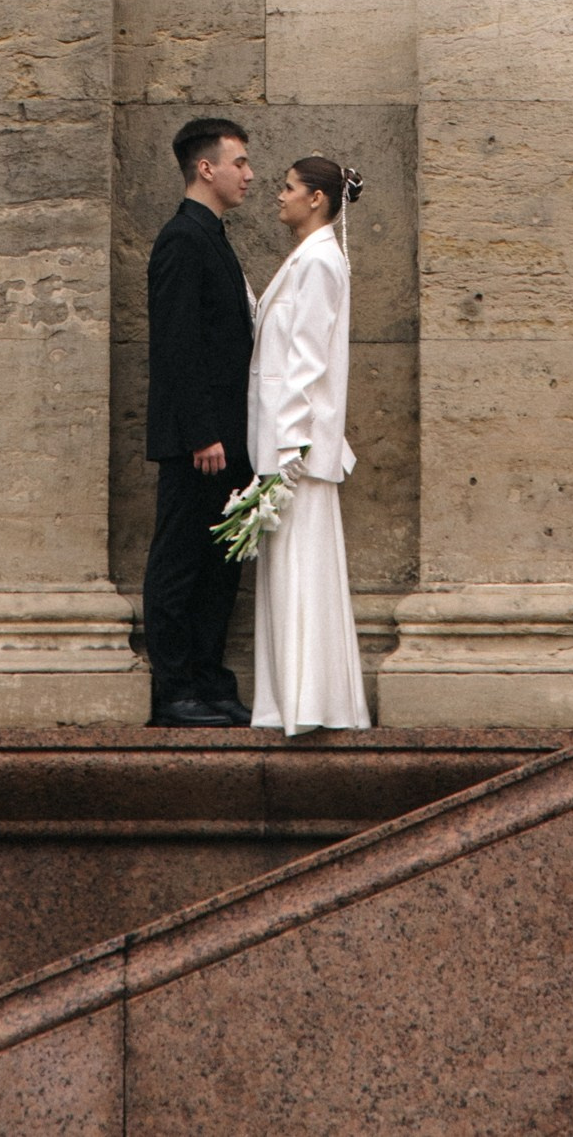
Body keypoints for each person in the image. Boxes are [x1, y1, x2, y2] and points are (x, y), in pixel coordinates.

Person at [247, 155, 369, 737]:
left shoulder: (320, 261)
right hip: (286, 443)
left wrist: (289, 446)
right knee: (292, 572)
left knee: (301, 572)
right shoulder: (309, 258)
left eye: (288, 188)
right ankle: (291, 701)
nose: (279, 196)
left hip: (294, 447)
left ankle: (308, 702)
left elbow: (307, 362)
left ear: (316, 198)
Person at [143, 116, 257, 726]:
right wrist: (201, 432)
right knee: (181, 562)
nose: (249, 174)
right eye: (239, 162)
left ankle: (211, 682)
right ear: (206, 168)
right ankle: (177, 689)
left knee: (219, 568)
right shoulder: (183, 238)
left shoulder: (213, 235)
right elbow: (176, 344)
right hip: (200, 441)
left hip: (226, 438)